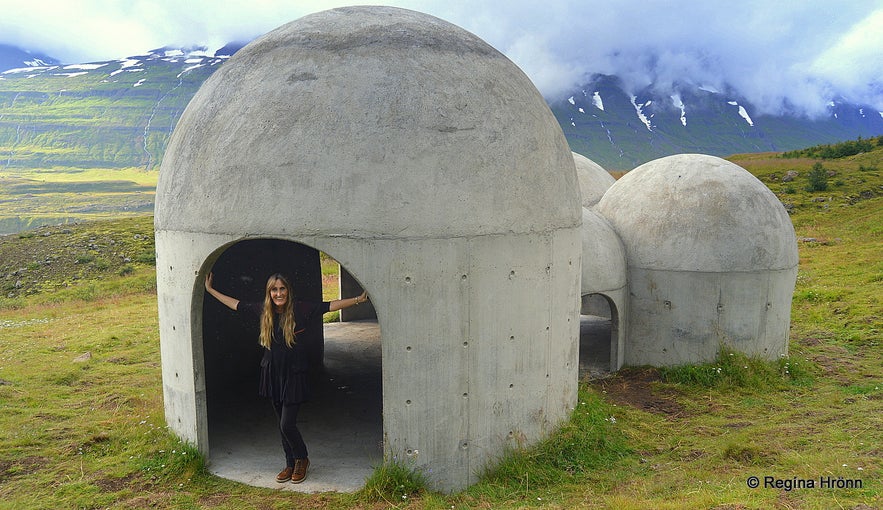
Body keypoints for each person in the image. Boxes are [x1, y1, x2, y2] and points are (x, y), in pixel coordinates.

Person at [204, 271, 368, 484]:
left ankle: (302, 459)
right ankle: (290, 463)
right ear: (269, 292)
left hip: (294, 373)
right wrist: (210, 290)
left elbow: (329, 305)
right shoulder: (264, 311)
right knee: (281, 422)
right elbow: (236, 304)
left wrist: (358, 299)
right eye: (274, 289)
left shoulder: (300, 309)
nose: (278, 293)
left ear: (288, 291)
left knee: (287, 424)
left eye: (282, 289)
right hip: (271, 371)